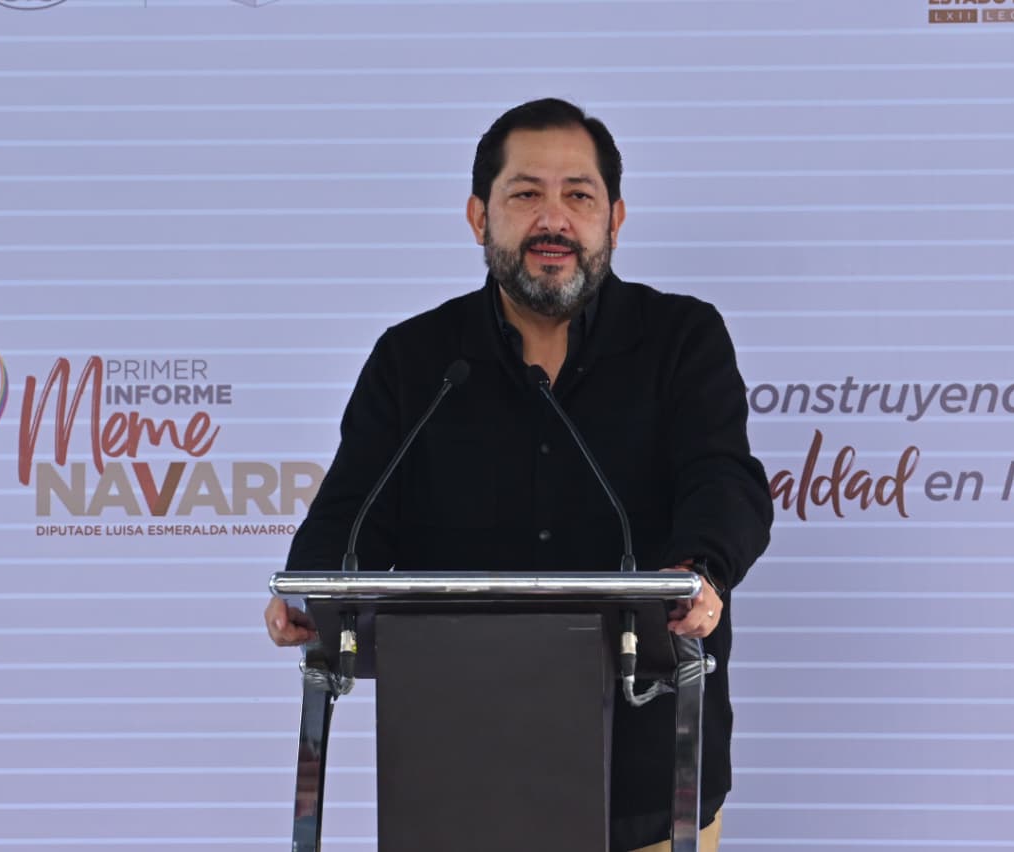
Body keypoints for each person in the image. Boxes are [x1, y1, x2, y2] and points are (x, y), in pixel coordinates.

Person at [265, 97, 773, 852]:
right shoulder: (416, 361)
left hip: (645, 778)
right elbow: (351, 512)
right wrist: (313, 590)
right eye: (526, 193)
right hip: (455, 774)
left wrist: (699, 569)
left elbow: (723, 480)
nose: (553, 219)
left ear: (615, 218)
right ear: (479, 216)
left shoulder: (681, 340)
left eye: (579, 195)